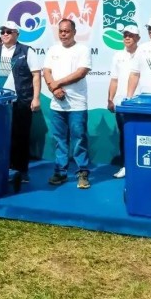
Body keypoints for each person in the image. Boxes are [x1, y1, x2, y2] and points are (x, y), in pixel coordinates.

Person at [0, 21, 41, 183]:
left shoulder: (26, 51)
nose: (5, 34)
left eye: (8, 31)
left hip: (21, 100)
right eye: (2, 31)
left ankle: (21, 170)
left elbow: (36, 75)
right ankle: (2, 168)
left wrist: (36, 98)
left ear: (17, 34)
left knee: (21, 136)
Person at [43, 18, 92, 189]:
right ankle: (60, 172)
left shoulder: (83, 50)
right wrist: (54, 89)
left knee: (79, 139)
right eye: (61, 31)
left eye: (67, 31)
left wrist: (57, 83)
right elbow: (46, 71)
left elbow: (81, 72)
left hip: (77, 104)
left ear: (74, 32)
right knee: (60, 140)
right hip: (57, 105)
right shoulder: (53, 50)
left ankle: (82, 173)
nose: (63, 34)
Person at [107, 25, 140, 179]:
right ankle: (126, 166)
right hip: (121, 104)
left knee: (140, 135)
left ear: (138, 38)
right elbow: (114, 79)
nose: (127, 38)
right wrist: (110, 99)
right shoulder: (117, 55)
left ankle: (139, 165)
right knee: (125, 136)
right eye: (125, 35)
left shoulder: (144, 54)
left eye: (131, 35)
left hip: (140, 104)